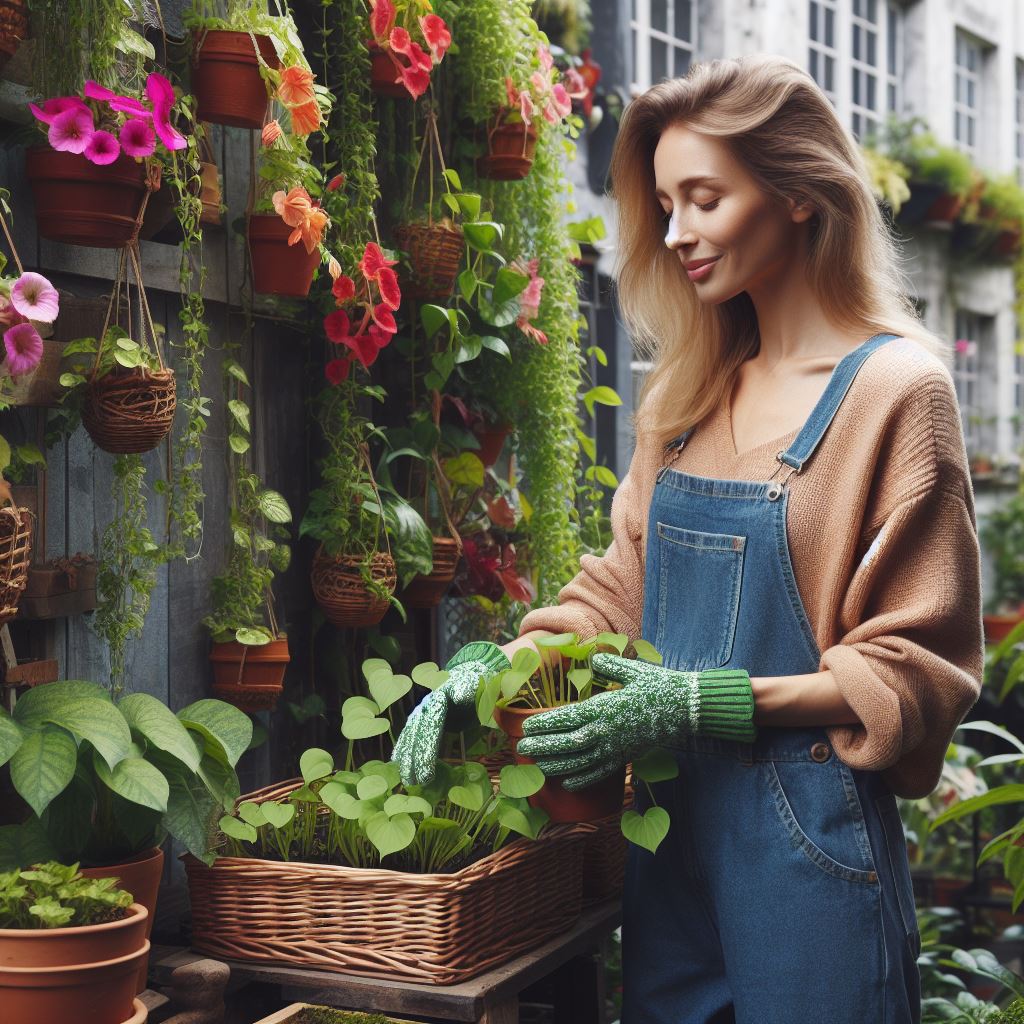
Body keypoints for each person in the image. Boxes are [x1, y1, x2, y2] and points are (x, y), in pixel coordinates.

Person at [392, 53, 984, 1024]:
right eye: (664, 206)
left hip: (810, 846)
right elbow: (617, 592)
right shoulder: (686, 397)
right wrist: (491, 667)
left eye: (702, 199)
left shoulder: (894, 393)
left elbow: (919, 669)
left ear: (797, 193)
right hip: (671, 844)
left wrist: (705, 700)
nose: (675, 236)